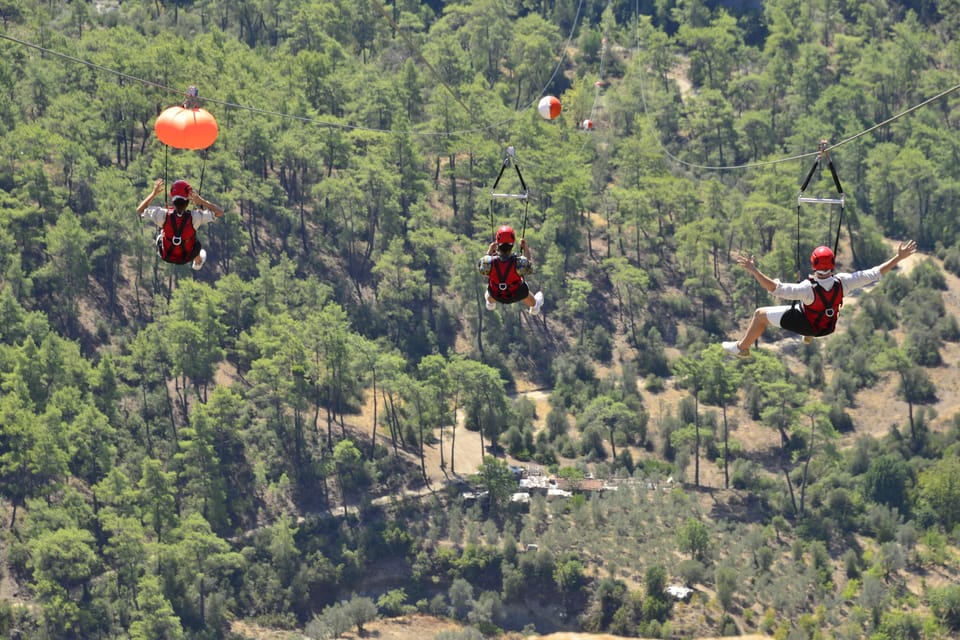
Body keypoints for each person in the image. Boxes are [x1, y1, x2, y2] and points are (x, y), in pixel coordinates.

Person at [722, 240, 918, 357]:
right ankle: (809, 334)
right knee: (807, 309)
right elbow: (874, 273)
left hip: (810, 325)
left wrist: (754, 270)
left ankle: (741, 348)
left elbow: (774, 288)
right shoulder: (844, 282)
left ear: (813, 264)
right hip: (828, 328)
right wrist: (899, 257)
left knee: (760, 314)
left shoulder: (807, 289)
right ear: (832, 264)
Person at [137, 178, 224, 270]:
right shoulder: (196, 217)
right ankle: (198, 261)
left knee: (161, 234)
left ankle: (197, 260)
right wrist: (201, 201)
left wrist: (153, 194)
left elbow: (140, 210)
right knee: (196, 241)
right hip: (187, 257)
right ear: (188, 201)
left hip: (166, 255)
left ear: (172, 199)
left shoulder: (162, 214)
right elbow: (220, 212)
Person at [478, 225, 544, 314]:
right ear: (512, 244)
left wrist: (489, 252)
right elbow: (528, 267)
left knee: (490, 289)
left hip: (496, 294)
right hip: (516, 293)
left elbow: (483, 269)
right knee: (525, 291)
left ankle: (490, 303)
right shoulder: (518, 263)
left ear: (498, 243)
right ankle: (535, 307)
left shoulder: (489, 262)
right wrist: (526, 249)